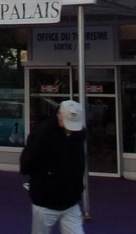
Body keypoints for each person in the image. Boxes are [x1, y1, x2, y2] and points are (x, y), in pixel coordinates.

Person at [20, 100, 86, 234]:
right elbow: (26, 162)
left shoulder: (79, 134)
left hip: (71, 200)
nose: (70, 129)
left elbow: (79, 161)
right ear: (59, 116)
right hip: (46, 201)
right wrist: (42, 179)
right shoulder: (42, 133)